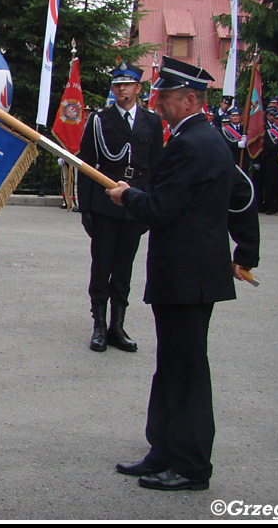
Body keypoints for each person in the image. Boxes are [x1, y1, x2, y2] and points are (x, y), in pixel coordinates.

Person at [106, 56, 260, 491]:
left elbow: (159, 208)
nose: (158, 105)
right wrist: (248, 250)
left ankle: (191, 465)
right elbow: (241, 199)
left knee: (187, 370)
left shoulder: (191, 144)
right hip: (190, 276)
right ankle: (164, 450)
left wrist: (127, 196)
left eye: (167, 99)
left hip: (186, 278)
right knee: (172, 366)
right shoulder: (208, 140)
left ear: (190, 99)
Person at [77, 61, 164, 353]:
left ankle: (118, 325)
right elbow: (86, 164)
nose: (121, 89)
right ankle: (99, 326)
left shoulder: (152, 122)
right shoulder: (100, 120)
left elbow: (156, 167)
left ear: (138, 88)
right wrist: (86, 206)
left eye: (127, 85)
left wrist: (152, 206)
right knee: (102, 265)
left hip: (136, 203)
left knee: (124, 267)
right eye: (117, 85)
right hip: (105, 204)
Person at [260, 109, 278, 215]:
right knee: (270, 186)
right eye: (277, 119)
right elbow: (268, 147)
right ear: (274, 120)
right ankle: (270, 207)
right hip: (272, 162)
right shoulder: (269, 132)